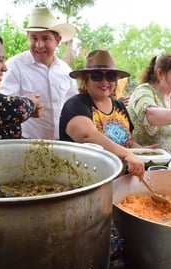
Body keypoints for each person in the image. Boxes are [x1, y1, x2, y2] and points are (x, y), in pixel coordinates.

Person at [59, 49, 146, 177]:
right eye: (96, 76)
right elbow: (87, 136)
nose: (104, 81)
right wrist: (127, 154)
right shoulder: (76, 104)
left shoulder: (119, 106)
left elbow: (129, 140)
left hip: (121, 179)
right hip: (87, 180)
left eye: (110, 77)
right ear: (85, 80)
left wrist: (142, 151)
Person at [0, 5, 78, 140]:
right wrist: (26, 108)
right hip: (25, 142)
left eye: (45, 38)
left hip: (61, 141)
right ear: (28, 38)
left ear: (57, 41)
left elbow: (73, 106)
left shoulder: (65, 70)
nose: (39, 45)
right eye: (34, 38)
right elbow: (5, 105)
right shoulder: (14, 66)